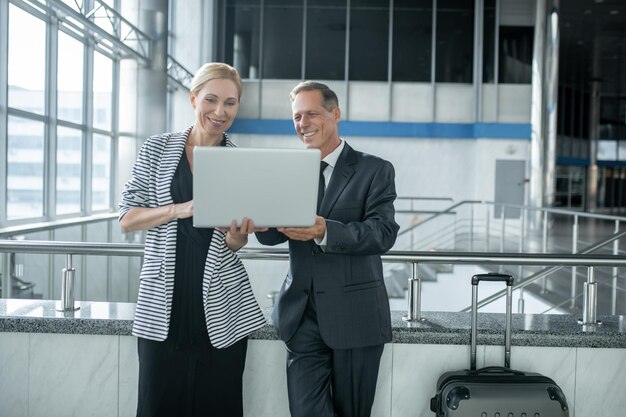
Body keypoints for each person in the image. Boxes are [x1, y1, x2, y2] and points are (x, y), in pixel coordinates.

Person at [118, 62, 266, 417]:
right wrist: (180, 209)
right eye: (211, 100)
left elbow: (235, 246)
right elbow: (126, 219)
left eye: (230, 103)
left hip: (221, 308)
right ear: (193, 98)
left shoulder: (241, 161)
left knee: (219, 407)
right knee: (156, 406)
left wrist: (237, 237)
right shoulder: (157, 149)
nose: (220, 111)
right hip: (162, 306)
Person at [256, 81, 400, 417]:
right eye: (296, 117)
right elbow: (273, 236)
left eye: (311, 114)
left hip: (356, 316)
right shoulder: (286, 172)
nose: (302, 123)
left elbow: (383, 233)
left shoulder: (374, 170)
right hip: (300, 316)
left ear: (335, 114)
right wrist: (257, 222)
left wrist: (325, 231)